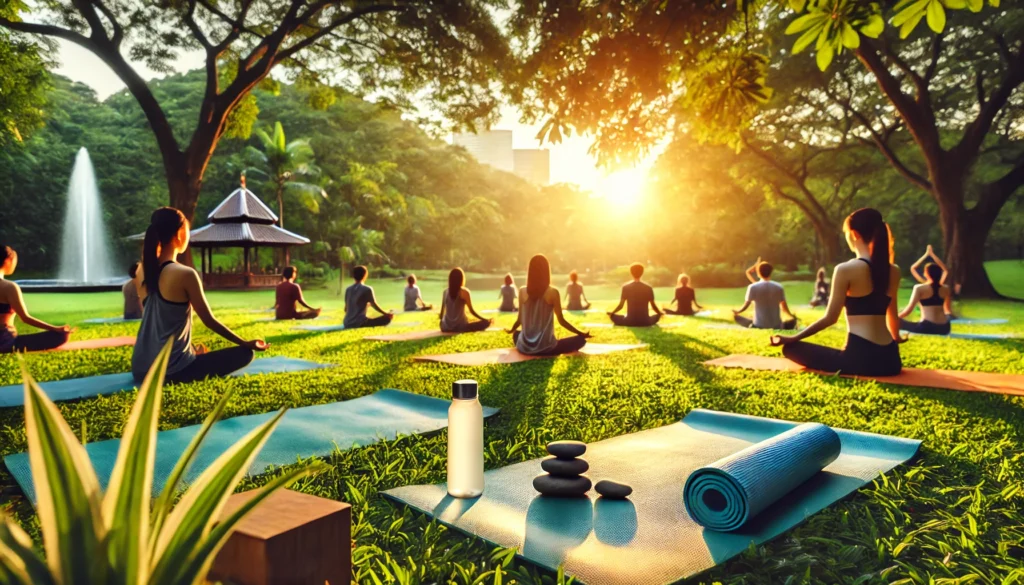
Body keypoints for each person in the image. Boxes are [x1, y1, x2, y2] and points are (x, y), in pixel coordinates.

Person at [132, 208, 267, 384]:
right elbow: (208, 320)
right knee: (245, 354)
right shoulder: (185, 274)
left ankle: (191, 353)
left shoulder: (143, 271)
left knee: (198, 352)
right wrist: (245, 342)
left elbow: (160, 325)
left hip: (140, 369)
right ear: (179, 235)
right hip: (170, 371)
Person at [770, 207, 903, 376]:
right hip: (890, 360)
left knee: (791, 349)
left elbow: (830, 318)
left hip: (861, 360)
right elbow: (893, 314)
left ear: (854, 234)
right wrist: (896, 337)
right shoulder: (894, 270)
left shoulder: (846, 269)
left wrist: (793, 338)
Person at [508, 254, 591, 355]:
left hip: (524, 347)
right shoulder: (553, 292)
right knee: (581, 340)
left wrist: (511, 330)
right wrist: (581, 333)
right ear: (546, 271)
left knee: (516, 334)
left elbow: (519, 320)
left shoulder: (522, 291)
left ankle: (526, 343)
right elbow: (562, 321)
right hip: (546, 347)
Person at [0, 245, 73, 353]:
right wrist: (54, 328)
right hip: (6, 341)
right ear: (7, 261)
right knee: (62, 336)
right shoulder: (9, 287)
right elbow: (25, 318)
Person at [733, 260, 797, 329]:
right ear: (771, 272)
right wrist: (792, 316)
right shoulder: (779, 287)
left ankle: (752, 324)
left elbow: (746, 306)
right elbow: (784, 308)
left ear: (758, 273)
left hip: (758, 325)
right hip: (777, 326)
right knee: (792, 322)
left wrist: (738, 311)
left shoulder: (753, 287)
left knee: (738, 318)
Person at [898, 262, 951, 335]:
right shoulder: (946, 288)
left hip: (928, 327)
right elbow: (948, 310)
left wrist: (895, 317)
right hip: (945, 328)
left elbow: (908, 310)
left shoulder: (919, 288)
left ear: (927, 274)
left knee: (897, 321)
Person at [911, 245, 957, 320]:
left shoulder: (923, 287)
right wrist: (931, 254)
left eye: (925, 271)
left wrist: (927, 254)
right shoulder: (941, 285)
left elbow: (913, 268)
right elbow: (945, 270)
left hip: (942, 316)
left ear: (927, 274)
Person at [440, 268, 493, 333]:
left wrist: (443, 322)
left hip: (445, 327)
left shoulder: (445, 292)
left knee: (470, 319)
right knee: (485, 323)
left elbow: (441, 314)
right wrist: (484, 319)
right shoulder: (464, 292)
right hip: (460, 327)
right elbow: (472, 311)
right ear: (461, 279)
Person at [608, 263, 661, 327]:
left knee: (613, 316)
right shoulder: (648, 288)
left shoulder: (625, 287)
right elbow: (653, 306)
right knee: (657, 316)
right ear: (642, 273)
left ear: (631, 273)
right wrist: (660, 313)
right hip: (645, 321)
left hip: (629, 321)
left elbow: (621, 306)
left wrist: (612, 313)